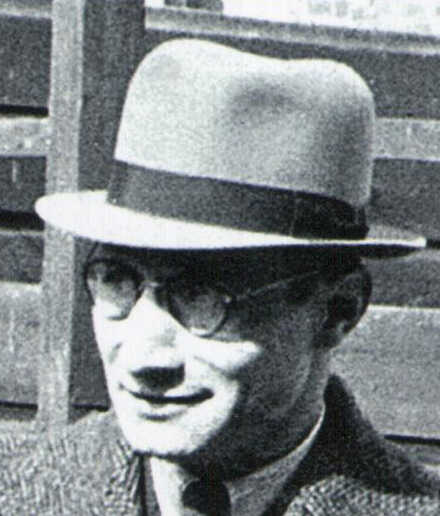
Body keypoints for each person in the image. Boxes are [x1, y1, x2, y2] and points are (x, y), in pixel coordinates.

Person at [2, 39, 439, 515]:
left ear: (338, 310)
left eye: (200, 297)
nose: (145, 358)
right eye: (117, 281)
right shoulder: (18, 495)